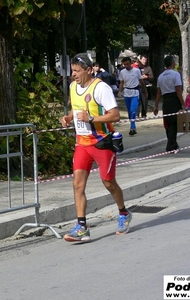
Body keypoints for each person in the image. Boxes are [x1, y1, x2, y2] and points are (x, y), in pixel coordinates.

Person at [61, 53, 132, 243]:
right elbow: (75, 109)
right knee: (77, 185)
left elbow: (115, 115)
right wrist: (69, 118)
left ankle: (123, 212)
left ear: (89, 70)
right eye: (72, 71)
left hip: (102, 142)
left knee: (108, 183)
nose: (73, 75)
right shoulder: (73, 87)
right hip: (82, 143)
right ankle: (82, 227)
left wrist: (91, 119)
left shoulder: (101, 88)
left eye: (77, 71)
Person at [154, 55, 185, 152]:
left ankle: (173, 143)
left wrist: (156, 105)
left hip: (165, 100)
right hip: (174, 99)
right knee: (174, 123)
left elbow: (158, 92)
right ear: (172, 63)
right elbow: (178, 90)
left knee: (168, 123)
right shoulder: (176, 74)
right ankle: (171, 145)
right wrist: (182, 103)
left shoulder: (161, 76)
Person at [118, 56, 148, 136]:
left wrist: (145, 91)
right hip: (127, 92)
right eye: (124, 64)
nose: (126, 66)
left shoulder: (136, 71)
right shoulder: (122, 72)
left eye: (127, 64)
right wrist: (120, 91)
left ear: (130, 63)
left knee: (133, 110)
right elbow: (121, 82)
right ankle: (133, 126)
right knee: (129, 111)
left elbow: (141, 81)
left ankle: (132, 127)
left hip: (135, 92)